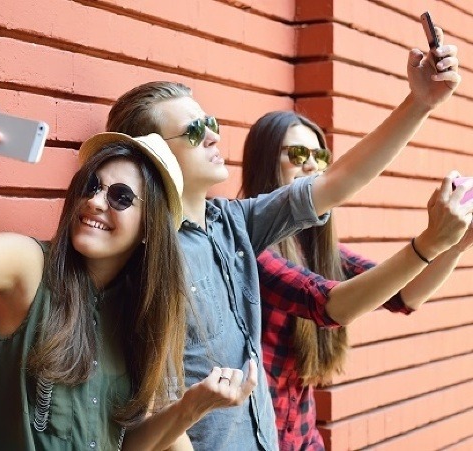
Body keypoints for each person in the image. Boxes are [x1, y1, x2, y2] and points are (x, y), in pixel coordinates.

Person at [105, 29, 462, 450]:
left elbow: (340, 183)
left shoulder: (232, 224)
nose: (215, 136)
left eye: (211, 124)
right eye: (195, 131)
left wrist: (420, 103)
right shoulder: (155, 256)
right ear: (155, 155)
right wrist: (431, 244)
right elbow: (332, 303)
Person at [0, 97, 257, 451]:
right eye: (91, 186)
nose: (95, 201)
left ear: (149, 228)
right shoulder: (29, 267)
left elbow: (128, 443)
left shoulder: (139, 314)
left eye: (121, 197)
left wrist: (192, 406)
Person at [241, 110, 473, 450]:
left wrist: (458, 244)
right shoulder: (245, 242)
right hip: (257, 440)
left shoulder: (315, 246)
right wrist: (430, 242)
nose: (312, 166)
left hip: (303, 437)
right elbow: (327, 303)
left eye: (320, 156)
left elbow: (405, 295)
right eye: (298, 154)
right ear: (264, 162)